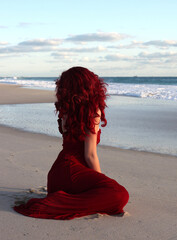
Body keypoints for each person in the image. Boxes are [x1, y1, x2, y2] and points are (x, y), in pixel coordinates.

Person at [14, 66, 129, 220]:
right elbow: (90, 155)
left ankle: (62, 197)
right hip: (73, 173)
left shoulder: (65, 110)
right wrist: (101, 182)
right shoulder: (92, 111)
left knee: (105, 191)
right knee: (120, 195)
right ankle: (56, 202)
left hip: (56, 176)